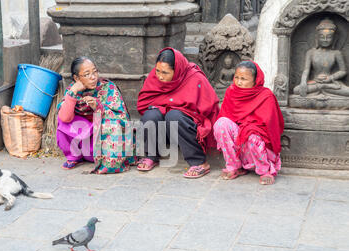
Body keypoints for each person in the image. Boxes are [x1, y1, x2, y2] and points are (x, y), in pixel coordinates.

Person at [137, 47, 220, 178]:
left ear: (177, 71)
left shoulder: (194, 77)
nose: (159, 76)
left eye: (165, 73)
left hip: (187, 128)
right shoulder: (155, 77)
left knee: (174, 115)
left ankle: (199, 162)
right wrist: (166, 106)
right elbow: (144, 103)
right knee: (151, 115)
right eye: (157, 70)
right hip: (165, 130)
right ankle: (151, 155)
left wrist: (173, 107)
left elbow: (208, 108)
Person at [56, 57, 136, 173]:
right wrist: (72, 92)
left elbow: (121, 118)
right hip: (83, 143)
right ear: (76, 78)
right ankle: (74, 156)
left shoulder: (108, 88)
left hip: (101, 146)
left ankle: (105, 160)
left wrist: (98, 107)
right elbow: (65, 118)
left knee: (112, 123)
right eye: (87, 74)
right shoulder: (72, 90)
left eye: (95, 72)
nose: (93, 77)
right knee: (62, 115)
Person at [213, 60, 284, 185]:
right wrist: (242, 128)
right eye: (237, 77)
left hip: (256, 138)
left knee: (251, 135)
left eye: (244, 79)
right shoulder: (231, 91)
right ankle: (234, 166)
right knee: (220, 124)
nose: (239, 82)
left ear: (255, 80)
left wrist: (247, 127)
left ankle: (265, 170)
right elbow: (226, 116)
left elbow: (269, 126)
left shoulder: (266, 96)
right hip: (239, 137)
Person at [293, 18, 349, 97]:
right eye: (322, 37)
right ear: (317, 38)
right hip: (315, 82)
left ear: (334, 39)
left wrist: (330, 78)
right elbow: (306, 70)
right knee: (296, 90)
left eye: (329, 37)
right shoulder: (311, 52)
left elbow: (343, 71)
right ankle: (322, 88)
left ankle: (323, 87)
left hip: (331, 83)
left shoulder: (336, 53)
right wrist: (303, 82)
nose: (325, 40)